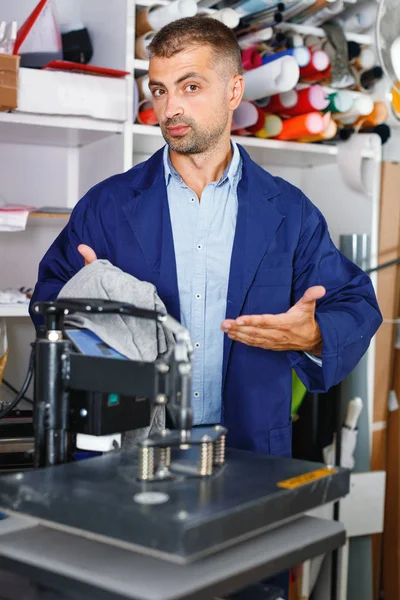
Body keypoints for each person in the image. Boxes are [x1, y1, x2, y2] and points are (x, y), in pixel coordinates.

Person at [29, 16, 382, 595]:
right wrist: (93, 303)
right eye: (160, 89)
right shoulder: (109, 206)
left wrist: (312, 334)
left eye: (190, 87)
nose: (171, 107)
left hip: (246, 461)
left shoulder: (287, 212)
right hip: (129, 464)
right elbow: (50, 304)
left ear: (234, 91)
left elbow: (354, 303)